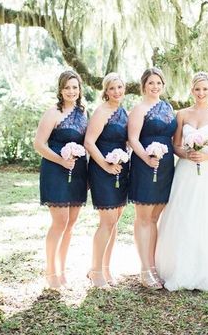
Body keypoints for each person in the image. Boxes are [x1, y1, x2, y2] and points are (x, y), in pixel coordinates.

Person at [155, 72, 208, 291]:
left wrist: (206, 156)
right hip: (186, 171)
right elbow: (175, 145)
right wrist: (186, 154)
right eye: (197, 89)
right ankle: (180, 268)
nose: (201, 93)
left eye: (205, 89)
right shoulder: (182, 114)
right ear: (191, 90)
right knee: (184, 213)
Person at [33, 70, 88, 289]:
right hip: (56, 170)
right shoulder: (53, 113)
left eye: (75, 87)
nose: (71, 91)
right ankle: (50, 271)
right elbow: (39, 144)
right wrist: (60, 160)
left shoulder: (83, 113)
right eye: (67, 88)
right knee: (60, 222)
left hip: (77, 171)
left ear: (80, 89)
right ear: (60, 90)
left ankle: (62, 269)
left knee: (71, 223)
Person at [127, 68, 177, 289]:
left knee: (155, 216)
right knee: (144, 217)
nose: (155, 87)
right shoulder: (139, 109)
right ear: (143, 86)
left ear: (163, 85)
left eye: (158, 83)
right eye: (151, 83)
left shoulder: (168, 108)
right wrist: (147, 158)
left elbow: (174, 138)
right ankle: (145, 268)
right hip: (146, 164)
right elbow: (132, 139)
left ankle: (153, 265)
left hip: (165, 165)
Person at [84, 73, 129, 288]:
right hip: (103, 170)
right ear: (106, 91)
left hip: (121, 170)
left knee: (115, 221)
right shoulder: (101, 112)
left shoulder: (123, 112)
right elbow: (89, 143)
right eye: (112, 88)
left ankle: (106, 268)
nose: (117, 92)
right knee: (107, 221)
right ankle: (95, 271)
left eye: (120, 87)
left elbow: (128, 140)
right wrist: (106, 165)